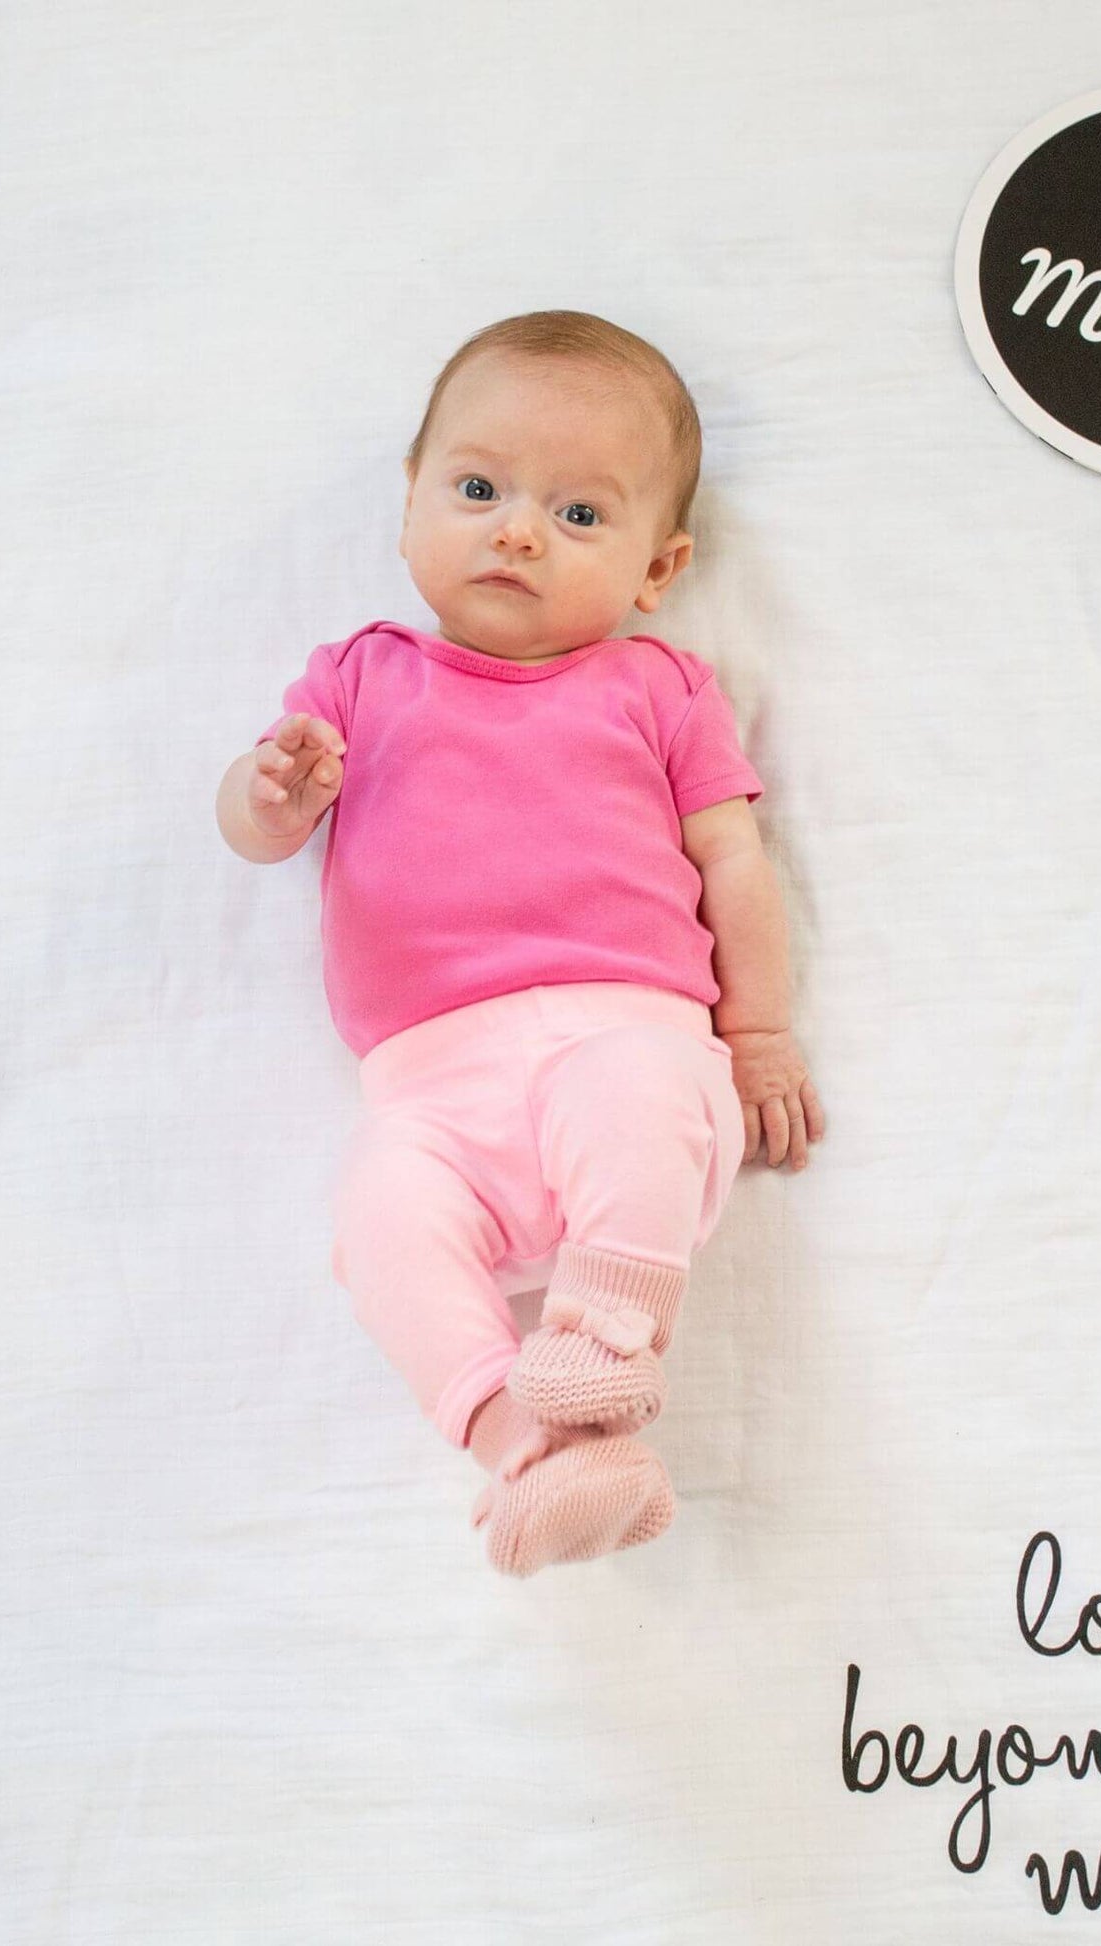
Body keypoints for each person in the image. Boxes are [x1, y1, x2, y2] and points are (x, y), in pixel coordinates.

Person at [214, 310, 826, 1577]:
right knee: (377, 1215)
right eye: (478, 489)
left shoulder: (657, 687)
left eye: (578, 513)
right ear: (409, 502)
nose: (516, 531)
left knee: (633, 1090)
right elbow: (255, 831)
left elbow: (733, 862)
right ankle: (528, 1445)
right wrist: (270, 794)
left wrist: (760, 1034)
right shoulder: (359, 677)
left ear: (657, 568)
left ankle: (604, 1341)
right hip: (430, 1093)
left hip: (628, 1031)